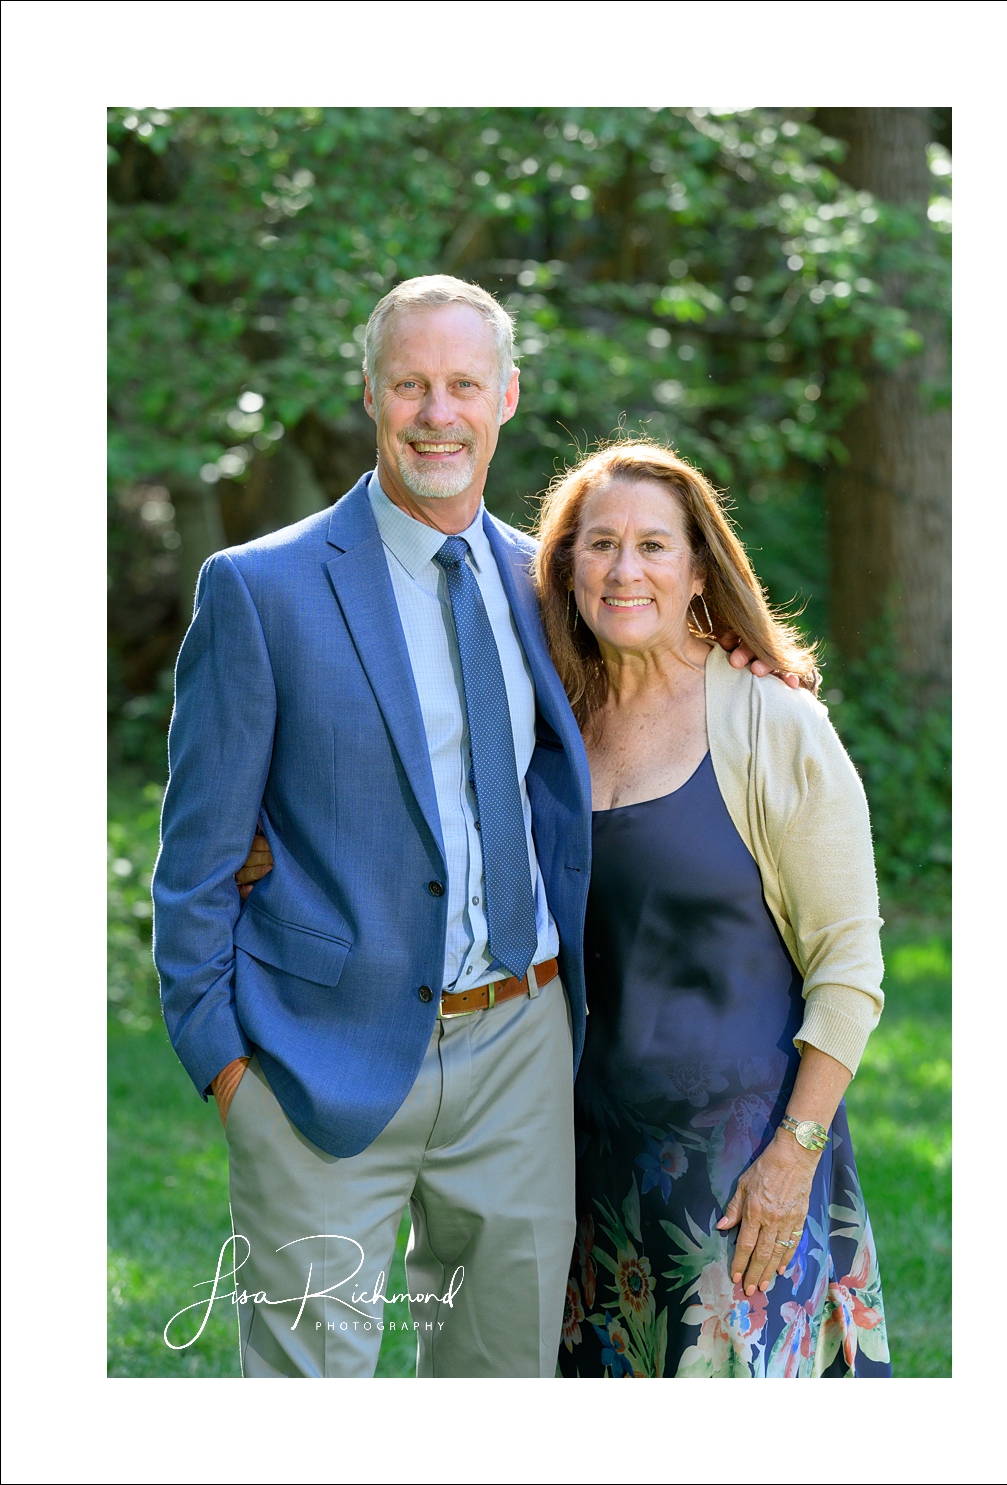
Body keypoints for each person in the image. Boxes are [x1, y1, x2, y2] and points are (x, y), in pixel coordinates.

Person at [155, 274, 780, 1377]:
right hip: (314, 1055)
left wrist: (735, 669)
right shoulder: (261, 589)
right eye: (410, 385)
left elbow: (655, 669)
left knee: (500, 1390)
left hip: (520, 1053)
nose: (436, 412)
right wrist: (224, 1068)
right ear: (371, 395)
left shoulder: (546, 586)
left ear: (506, 397)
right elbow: (196, 860)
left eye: (461, 385)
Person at [533, 441, 892, 1378]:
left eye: (654, 545)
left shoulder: (774, 723)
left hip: (743, 1172)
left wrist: (793, 1156)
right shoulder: (550, 722)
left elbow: (850, 968)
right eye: (600, 543)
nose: (624, 569)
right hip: (584, 1164)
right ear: (567, 568)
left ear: (699, 569)